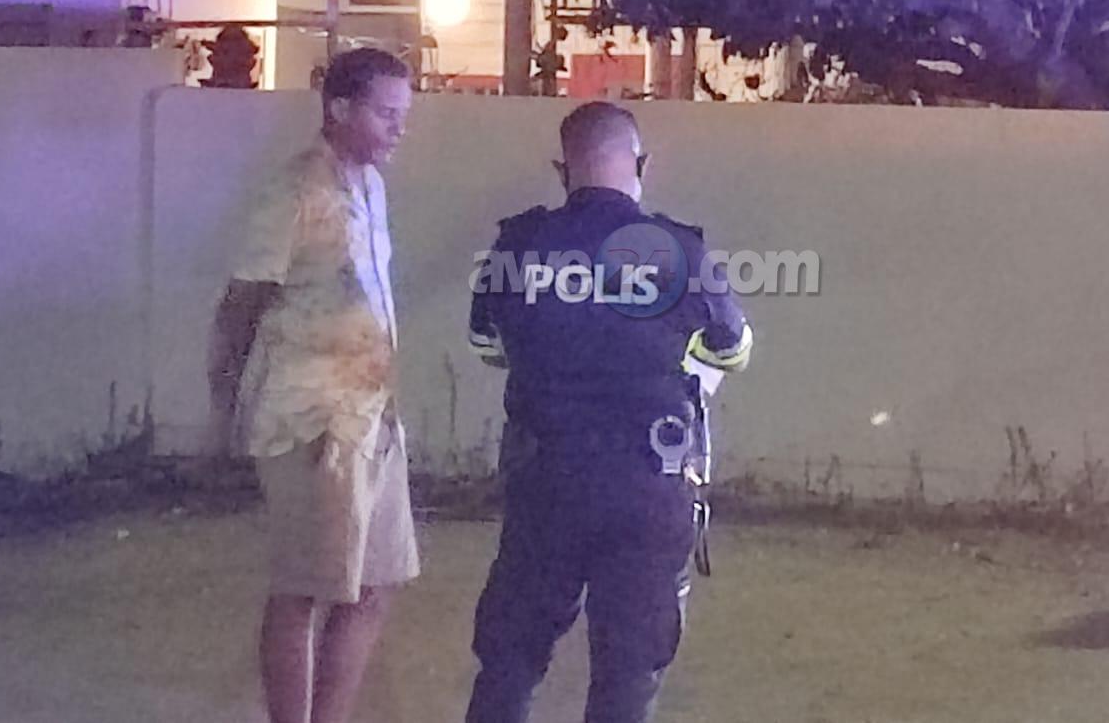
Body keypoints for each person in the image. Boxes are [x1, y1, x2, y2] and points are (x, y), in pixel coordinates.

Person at [462, 101, 754, 722]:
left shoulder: (518, 247)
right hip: (648, 484)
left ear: (561, 169)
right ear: (642, 165)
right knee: (628, 674)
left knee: (510, 661)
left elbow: (487, 344)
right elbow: (733, 350)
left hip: (546, 482)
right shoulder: (680, 250)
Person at [207, 47, 422, 722]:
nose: (399, 128)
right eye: (386, 113)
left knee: (374, 586)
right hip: (308, 420)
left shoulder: (370, 187)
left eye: (403, 114)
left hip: (371, 414)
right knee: (303, 589)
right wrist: (225, 406)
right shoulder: (294, 192)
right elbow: (240, 306)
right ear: (339, 108)